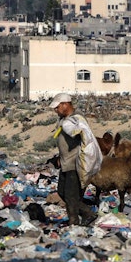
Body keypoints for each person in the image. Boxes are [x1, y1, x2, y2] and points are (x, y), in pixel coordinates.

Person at [49, 93, 100, 227]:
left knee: (71, 196)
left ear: (65, 105)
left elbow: (83, 135)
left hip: (74, 163)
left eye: (57, 107)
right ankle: (80, 217)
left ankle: (80, 219)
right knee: (62, 192)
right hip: (65, 162)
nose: (56, 110)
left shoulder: (76, 120)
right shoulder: (64, 120)